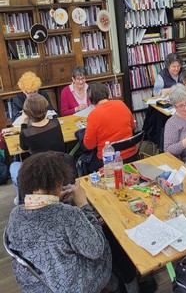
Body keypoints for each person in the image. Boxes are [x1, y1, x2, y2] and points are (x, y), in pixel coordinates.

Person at [6, 152, 112, 293]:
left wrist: (55, 200)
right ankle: (118, 283)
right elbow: (96, 250)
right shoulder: (68, 214)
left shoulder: (15, 214)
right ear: (58, 183)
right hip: (72, 286)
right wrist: (83, 205)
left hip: (35, 283)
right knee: (108, 239)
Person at [10, 94, 66, 204]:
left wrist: (23, 123)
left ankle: (21, 198)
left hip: (39, 172)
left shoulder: (26, 133)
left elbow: (24, 147)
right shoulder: (56, 123)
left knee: (13, 166)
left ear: (27, 113)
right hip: (59, 165)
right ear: (46, 109)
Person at [83, 82, 136, 171]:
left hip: (108, 161)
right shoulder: (121, 104)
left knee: (86, 162)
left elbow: (89, 145)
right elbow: (133, 126)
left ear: (91, 99)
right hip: (131, 155)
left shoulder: (93, 115)